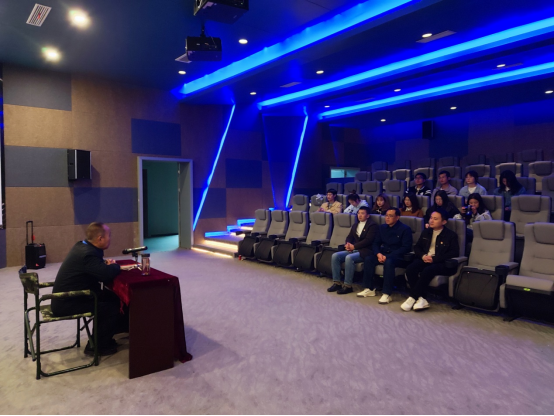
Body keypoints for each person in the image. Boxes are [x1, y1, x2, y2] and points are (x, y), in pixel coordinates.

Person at [51, 222, 135, 356]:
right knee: (110, 306)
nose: (110, 238)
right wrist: (115, 266)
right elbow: (105, 275)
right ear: (100, 238)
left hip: (69, 297)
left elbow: (97, 270)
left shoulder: (82, 246)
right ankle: (97, 346)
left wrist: (103, 265)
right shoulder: (88, 254)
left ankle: (113, 332)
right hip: (67, 302)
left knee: (113, 297)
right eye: (109, 235)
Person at [401, 209, 460, 312]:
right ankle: (421, 298)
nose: (431, 221)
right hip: (425, 258)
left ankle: (413, 297)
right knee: (410, 269)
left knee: (428, 270)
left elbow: (453, 253)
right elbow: (417, 247)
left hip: (441, 262)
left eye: (435, 219)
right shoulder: (426, 232)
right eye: (431, 218)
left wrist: (434, 259)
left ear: (444, 222)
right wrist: (423, 256)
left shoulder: (451, 235)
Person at [357, 208, 413, 304]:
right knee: (369, 259)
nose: (387, 218)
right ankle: (369, 288)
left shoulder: (405, 229)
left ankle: (387, 293)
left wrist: (388, 256)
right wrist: (378, 254)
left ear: (397, 217)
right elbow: (376, 243)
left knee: (389, 262)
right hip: (384, 254)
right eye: (386, 215)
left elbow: (406, 247)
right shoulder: (382, 227)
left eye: (390, 216)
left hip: (398, 256)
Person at [327, 207, 378, 295]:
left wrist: (354, 246)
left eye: (362, 213)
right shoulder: (355, 225)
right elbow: (349, 237)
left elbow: (368, 240)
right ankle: (337, 283)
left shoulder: (372, 225)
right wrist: (347, 244)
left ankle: (348, 286)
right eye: (359, 213)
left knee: (349, 258)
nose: (360, 215)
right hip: (354, 249)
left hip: (366, 251)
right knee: (335, 256)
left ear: (368, 215)